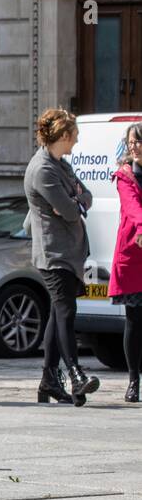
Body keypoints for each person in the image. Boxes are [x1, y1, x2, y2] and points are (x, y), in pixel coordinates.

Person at [24, 107, 98, 404]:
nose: (76, 142)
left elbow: (85, 198)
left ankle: (48, 382)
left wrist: (76, 199)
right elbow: (68, 211)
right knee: (66, 311)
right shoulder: (42, 169)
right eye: (74, 136)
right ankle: (76, 374)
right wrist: (74, 201)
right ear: (63, 136)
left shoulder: (60, 165)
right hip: (53, 253)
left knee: (58, 315)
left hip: (68, 251)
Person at [110, 123, 142, 402]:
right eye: (132, 142)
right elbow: (133, 208)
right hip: (134, 254)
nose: (135, 146)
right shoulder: (124, 176)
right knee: (134, 319)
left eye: (139, 142)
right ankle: (133, 380)